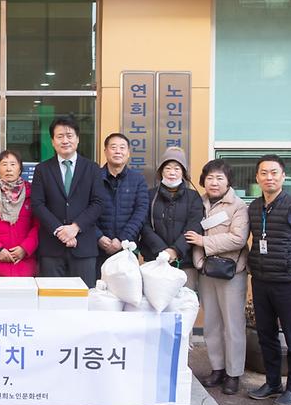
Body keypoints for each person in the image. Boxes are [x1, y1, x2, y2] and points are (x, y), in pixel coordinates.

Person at [246, 154, 291, 405]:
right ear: (257, 177)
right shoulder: (254, 208)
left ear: (283, 177)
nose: (269, 177)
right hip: (261, 281)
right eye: (264, 173)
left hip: (288, 283)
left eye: (274, 173)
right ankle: (273, 383)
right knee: (266, 335)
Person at [185, 159, 250, 395]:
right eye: (210, 177)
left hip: (231, 272)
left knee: (232, 325)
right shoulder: (198, 202)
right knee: (211, 322)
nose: (214, 182)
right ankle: (217, 368)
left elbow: (238, 239)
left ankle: (234, 374)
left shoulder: (238, 206)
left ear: (228, 182)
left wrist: (204, 242)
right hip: (206, 270)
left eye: (219, 178)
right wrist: (199, 261)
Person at [31, 116, 104, 288]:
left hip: (84, 247)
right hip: (52, 249)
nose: (65, 140)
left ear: (77, 139)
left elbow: (98, 203)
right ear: (52, 141)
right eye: (60, 136)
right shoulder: (42, 169)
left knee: (83, 301)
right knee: (52, 302)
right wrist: (59, 231)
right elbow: (37, 204)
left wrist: (75, 227)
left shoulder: (92, 168)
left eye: (69, 135)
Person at [139, 146, 204, 290]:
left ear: (184, 172)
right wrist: (162, 251)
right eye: (168, 168)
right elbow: (144, 226)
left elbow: (194, 226)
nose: (172, 173)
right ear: (161, 171)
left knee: (183, 307)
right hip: (155, 261)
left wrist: (175, 251)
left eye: (177, 168)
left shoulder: (193, 197)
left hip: (185, 263)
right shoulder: (149, 195)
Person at [96, 133, 149, 277]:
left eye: (122, 147)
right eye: (113, 147)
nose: (118, 151)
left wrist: (122, 239)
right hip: (97, 249)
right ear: (105, 151)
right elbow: (85, 209)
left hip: (126, 249)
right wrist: (98, 237)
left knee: (126, 295)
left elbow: (141, 212)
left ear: (128, 153)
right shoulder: (93, 177)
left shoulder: (138, 180)